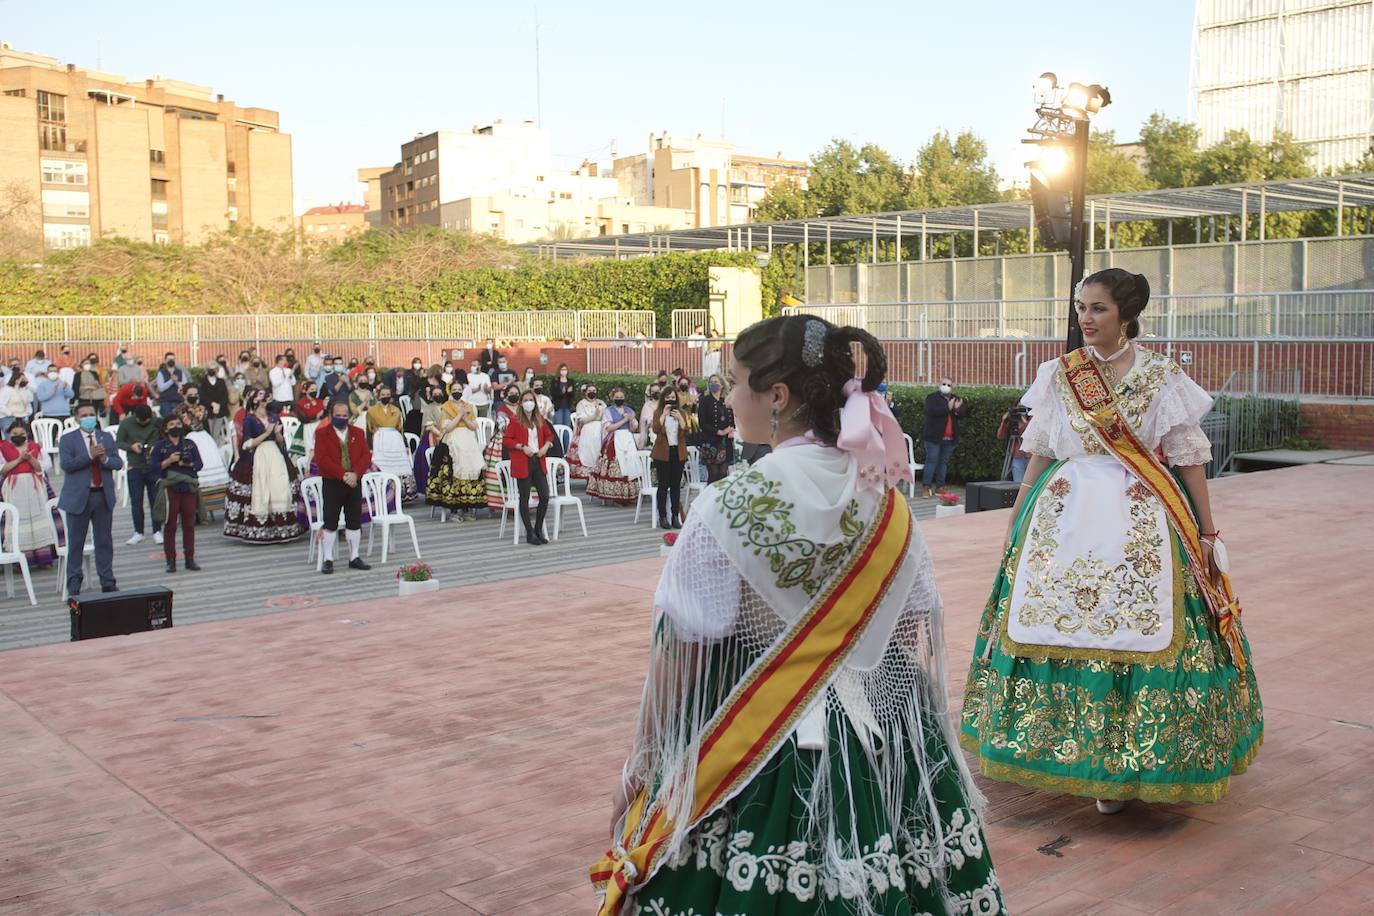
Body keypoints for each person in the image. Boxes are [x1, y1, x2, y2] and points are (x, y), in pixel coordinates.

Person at [594, 315, 1001, 914]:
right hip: (881, 734)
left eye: (735, 382)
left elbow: (685, 648)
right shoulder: (884, 500)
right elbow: (910, 626)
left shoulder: (726, 505)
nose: (729, 397)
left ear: (777, 397)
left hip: (756, 733)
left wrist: (647, 765)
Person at [960, 268, 1262, 816]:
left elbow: (1188, 457)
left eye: (1097, 308)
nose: (1085, 319)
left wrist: (1206, 528)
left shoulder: (1162, 376)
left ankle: (1128, 758)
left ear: (1125, 315)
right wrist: (1019, 511)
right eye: (1080, 308)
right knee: (1048, 620)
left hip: (1141, 513)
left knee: (1141, 628)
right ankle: (1069, 749)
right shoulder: (1060, 373)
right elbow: (1044, 448)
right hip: (1064, 513)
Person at [56, 405, 123, 597]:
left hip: (102, 495)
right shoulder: (68, 439)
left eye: (91, 415)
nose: (88, 418)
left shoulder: (106, 437)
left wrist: (104, 460)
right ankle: (74, 584)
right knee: (76, 543)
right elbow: (66, 465)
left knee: (104, 541)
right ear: (76, 418)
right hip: (78, 497)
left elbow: (118, 463)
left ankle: (107, 582)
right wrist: (89, 456)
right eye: (84, 415)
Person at [224, 390, 305, 545]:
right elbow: (247, 443)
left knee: (280, 487)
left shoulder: (274, 417)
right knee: (259, 489)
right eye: (262, 397)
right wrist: (266, 433)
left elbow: (281, 442)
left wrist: (278, 434)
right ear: (255, 401)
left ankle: (282, 528)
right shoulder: (249, 419)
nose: (267, 398)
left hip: (276, 456)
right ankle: (260, 529)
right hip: (257, 456)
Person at [313, 399, 373, 574]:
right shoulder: (322, 433)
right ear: (331, 415)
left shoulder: (358, 432)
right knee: (330, 521)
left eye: (345, 416)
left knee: (354, 520)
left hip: (354, 481)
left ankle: (354, 557)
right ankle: (328, 559)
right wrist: (343, 475)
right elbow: (322, 459)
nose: (341, 418)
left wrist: (355, 474)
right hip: (332, 482)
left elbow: (365, 456)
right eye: (338, 415)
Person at [0, 420, 59, 569]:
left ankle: (44, 558)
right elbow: (2, 469)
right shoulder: (3, 448)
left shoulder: (35, 447)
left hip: (35, 487)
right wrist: (19, 459)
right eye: (14, 434)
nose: (18, 436)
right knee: (17, 521)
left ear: (27, 434)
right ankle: (20, 561)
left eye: (21, 434)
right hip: (13, 488)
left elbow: (43, 467)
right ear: (9, 434)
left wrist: (30, 458)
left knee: (39, 519)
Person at [149, 415, 203, 573]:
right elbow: (153, 467)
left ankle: (189, 558)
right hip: (170, 488)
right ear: (165, 428)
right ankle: (170, 560)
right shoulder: (160, 446)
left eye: (178, 423)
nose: (175, 426)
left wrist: (188, 463)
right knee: (170, 525)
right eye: (171, 424)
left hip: (188, 486)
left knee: (189, 524)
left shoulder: (189, 444)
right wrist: (169, 461)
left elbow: (199, 464)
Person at [501, 389, 554, 545]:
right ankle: (529, 532)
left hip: (538, 459)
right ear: (521, 403)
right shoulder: (515, 420)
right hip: (523, 461)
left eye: (531, 400)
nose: (528, 402)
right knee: (524, 497)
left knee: (544, 495)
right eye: (525, 400)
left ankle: (538, 528)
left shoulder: (540, 419)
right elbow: (507, 440)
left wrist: (546, 446)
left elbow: (549, 435)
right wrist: (521, 446)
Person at [427, 391, 486, 519]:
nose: (457, 392)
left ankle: (468, 507)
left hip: (468, 442)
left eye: (459, 389)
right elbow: (447, 428)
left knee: (471, 472)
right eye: (454, 389)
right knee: (453, 475)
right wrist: (459, 415)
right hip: (451, 442)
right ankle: (454, 510)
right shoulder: (446, 407)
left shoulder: (469, 406)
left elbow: (473, 426)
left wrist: (464, 417)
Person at [586, 386, 642, 505]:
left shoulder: (628, 410)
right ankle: (614, 494)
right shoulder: (608, 411)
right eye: (617, 397)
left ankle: (628, 494)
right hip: (614, 439)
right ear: (613, 398)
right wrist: (624, 420)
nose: (619, 399)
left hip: (627, 439)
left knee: (629, 465)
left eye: (621, 397)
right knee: (616, 466)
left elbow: (634, 428)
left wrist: (631, 420)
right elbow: (609, 427)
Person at [116, 404, 162, 546]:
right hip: (134, 466)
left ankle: (157, 531)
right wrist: (131, 447)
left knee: (155, 500)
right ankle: (138, 532)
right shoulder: (127, 423)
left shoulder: (157, 422)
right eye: (140, 422)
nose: (143, 423)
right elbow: (119, 442)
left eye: (146, 421)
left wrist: (156, 446)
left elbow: (166, 438)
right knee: (136, 501)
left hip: (153, 466)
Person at [366, 386, 418, 503]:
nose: (385, 397)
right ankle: (383, 494)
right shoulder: (371, 411)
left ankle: (400, 494)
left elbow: (401, 428)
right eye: (383, 395)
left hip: (395, 440)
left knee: (398, 466)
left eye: (387, 394)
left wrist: (405, 445)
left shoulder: (396, 410)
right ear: (379, 396)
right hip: (380, 440)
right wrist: (369, 447)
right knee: (382, 466)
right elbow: (368, 430)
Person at [920, 376, 968, 498]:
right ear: (939, 385)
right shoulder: (932, 398)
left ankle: (940, 487)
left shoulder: (955, 398)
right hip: (933, 437)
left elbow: (962, 414)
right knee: (931, 461)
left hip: (949, 438)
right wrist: (948, 407)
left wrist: (957, 409)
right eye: (944, 384)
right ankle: (926, 487)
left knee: (943, 463)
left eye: (949, 385)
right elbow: (932, 411)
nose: (946, 387)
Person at [649, 389, 686, 530]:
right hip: (663, 453)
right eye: (668, 397)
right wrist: (664, 414)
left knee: (676, 485)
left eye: (673, 397)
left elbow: (686, 430)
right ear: (663, 399)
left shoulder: (681, 413)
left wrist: (681, 419)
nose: (671, 400)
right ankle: (663, 516)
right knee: (663, 485)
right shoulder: (658, 413)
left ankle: (675, 516)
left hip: (678, 451)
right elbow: (656, 429)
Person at [482, 385, 521, 514]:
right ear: (506, 394)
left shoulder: (522, 408)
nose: (514, 395)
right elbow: (503, 425)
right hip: (502, 442)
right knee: (502, 471)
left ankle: (522, 501)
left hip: (521, 441)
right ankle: (503, 502)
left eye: (516, 393)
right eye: (511, 392)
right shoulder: (502, 409)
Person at [694, 374, 735, 483]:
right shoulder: (704, 400)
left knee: (723, 473)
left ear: (722, 385)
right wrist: (719, 431)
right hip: (710, 441)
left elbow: (732, 420)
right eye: (711, 382)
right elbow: (702, 423)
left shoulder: (725, 401)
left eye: (716, 382)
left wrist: (731, 429)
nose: (713, 384)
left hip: (725, 442)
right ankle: (710, 498)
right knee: (714, 474)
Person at [566, 384, 605, 481]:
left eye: (594, 390)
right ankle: (588, 475)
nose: (592, 392)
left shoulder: (601, 403)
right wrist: (594, 416)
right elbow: (582, 420)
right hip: (586, 429)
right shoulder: (581, 404)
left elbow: (605, 417)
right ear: (586, 392)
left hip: (600, 430)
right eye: (590, 390)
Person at [996, 404, 1032, 483]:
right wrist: (1004, 422)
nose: (1020, 411)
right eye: (1018, 408)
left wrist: (1023, 420)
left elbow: (1029, 432)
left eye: (1022, 408)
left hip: (1031, 457)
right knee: (1018, 484)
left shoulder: (1032, 419)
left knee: (1031, 483)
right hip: (1017, 457)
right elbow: (1000, 436)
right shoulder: (1013, 421)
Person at [200, 360, 231, 443]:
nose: (212, 370)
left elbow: (225, 396)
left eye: (214, 369)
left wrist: (218, 405)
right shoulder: (203, 381)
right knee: (209, 433)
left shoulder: (221, 381)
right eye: (210, 369)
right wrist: (212, 404)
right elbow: (202, 396)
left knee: (217, 434)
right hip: (208, 411)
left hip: (220, 411)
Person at [636, 382, 661, 449]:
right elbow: (643, 425)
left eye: (657, 391)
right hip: (650, 435)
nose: (656, 393)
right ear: (650, 393)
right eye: (653, 391)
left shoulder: (664, 405)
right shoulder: (647, 406)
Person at [551, 364, 576, 428]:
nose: (564, 371)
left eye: (565, 370)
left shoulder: (571, 381)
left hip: (567, 406)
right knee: (559, 424)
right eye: (562, 369)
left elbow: (573, 394)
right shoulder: (555, 381)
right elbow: (553, 393)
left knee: (567, 425)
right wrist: (562, 392)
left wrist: (568, 392)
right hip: (558, 406)